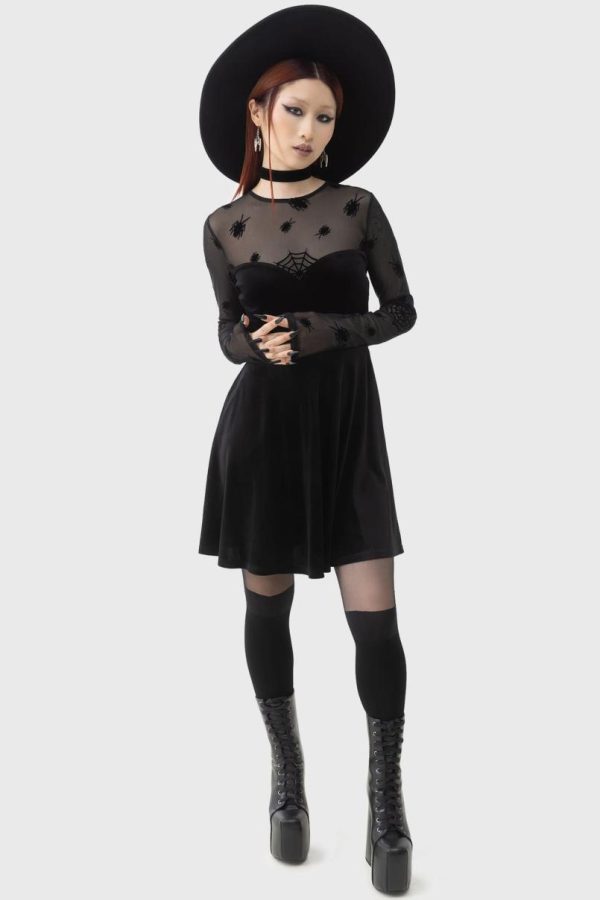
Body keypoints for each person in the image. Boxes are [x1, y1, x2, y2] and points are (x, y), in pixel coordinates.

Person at [198, 6, 417, 893]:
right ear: (258, 113)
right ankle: (287, 782)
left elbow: (401, 312)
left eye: (324, 116)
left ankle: (386, 798)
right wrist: (252, 344)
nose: (310, 129)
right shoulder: (224, 224)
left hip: (347, 424)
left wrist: (324, 331)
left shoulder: (359, 208)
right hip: (261, 431)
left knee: (376, 616)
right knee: (268, 606)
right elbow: (224, 331)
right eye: (295, 111)